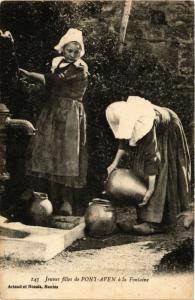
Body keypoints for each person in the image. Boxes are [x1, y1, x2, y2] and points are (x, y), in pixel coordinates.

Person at [19, 28, 88, 215]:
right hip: (52, 110)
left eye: (77, 51)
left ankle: (67, 201)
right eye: (69, 51)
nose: (73, 55)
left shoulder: (79, 68)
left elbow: (55, 81)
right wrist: (32, 88)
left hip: (71, 113)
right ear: (62, 50)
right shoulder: (58, 64)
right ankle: (38, 195)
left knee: (68, 155)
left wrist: (30, 74)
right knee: (45, 149)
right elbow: (50, 88)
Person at [106, 96, 191, 234]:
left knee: (160, 174)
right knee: (140, 169)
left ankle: (156, 223)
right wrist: (114, 163)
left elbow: (152, 159)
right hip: (154, 135)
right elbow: (124, 140)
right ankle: (144, 219)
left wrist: (150, 189)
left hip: (168, 130)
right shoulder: (129, 118)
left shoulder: (145, 122)